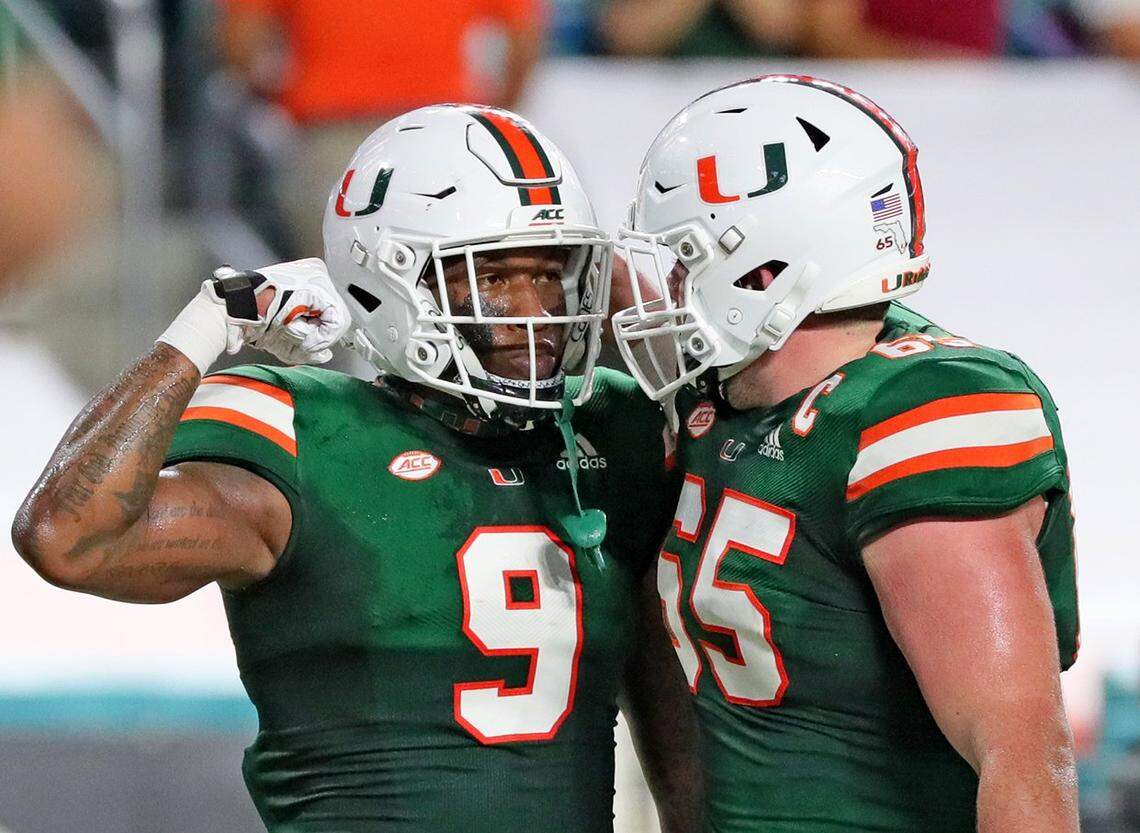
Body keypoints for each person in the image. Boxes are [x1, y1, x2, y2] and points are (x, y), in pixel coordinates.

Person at [13, 105, 698, 833]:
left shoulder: (608, 429)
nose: (535, 313)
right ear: (392, 283)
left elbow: (677, 710)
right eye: (494, 277)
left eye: (553, 275)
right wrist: (210, 324)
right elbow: (68, 536)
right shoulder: (309, 432)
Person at [611, 75, 1080, 832]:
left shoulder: (925, 405)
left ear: (763, 271)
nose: (663, 289)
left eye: (681, 258)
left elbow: (1020, 749)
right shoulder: (718, 399)